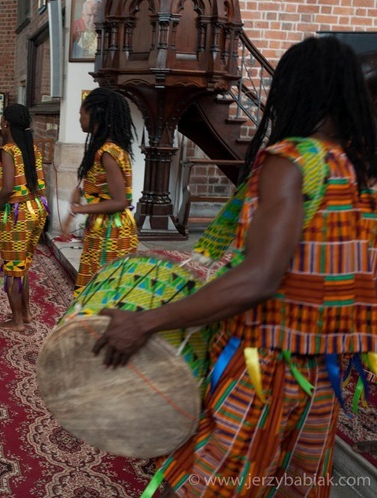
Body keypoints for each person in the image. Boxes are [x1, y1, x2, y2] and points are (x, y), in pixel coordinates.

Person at [94, 37, 377, 497]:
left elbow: (261, 278)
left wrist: (146, 321)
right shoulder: (359, 171)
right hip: (324, 372)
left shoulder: (292, 160)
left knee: (203, 485)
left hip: (262, 367)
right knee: (294, 484)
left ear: (296, 90)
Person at [0, 104, 47, 331]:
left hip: (17, 213)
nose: (0, 123)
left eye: (1, 119)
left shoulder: (9, 150)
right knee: (22, 267)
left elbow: (7, 188)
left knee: (12, 268)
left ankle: (17, 320)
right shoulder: (32, 148)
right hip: (36, 208)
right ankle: (26, 314)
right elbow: (39, 184)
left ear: (7, 123)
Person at [69, 87, 137, 297]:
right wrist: (81, 191)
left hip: (112, 230)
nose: (79, 119)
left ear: (97, 114)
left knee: (105, 291)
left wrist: (81, 208)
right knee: (97, 287)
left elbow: (120, 201)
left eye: (82, 114)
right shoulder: (105, 149)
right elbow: (102, 188)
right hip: (104, 226)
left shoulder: (108, 152)